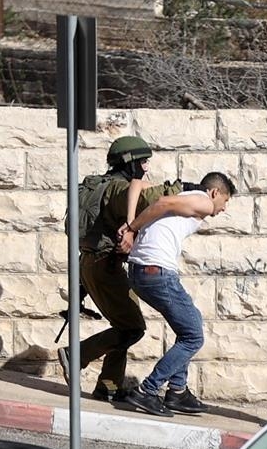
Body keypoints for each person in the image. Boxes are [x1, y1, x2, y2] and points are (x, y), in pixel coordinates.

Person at [58, 135, 189, 402]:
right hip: (105, 266)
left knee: (123, 323)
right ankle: (76, 355)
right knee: (132, 328)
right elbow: (151, 197)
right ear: (130, 163)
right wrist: (185, 188)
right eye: (143, 162)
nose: (146, 168)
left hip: (90, 263)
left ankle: (109, 385)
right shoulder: (119, 189)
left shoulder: (93, 184)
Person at [121, 172, 236, 417]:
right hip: (157, 272)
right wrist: (131, 228)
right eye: (225, 201)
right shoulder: (203, 201)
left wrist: (131, 224)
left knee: (189, 324)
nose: (224, 208)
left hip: (141, 272)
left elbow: (137, 184)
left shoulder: (182, 192)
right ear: (214, 192)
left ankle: (177, 391)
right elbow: (163, 203)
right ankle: (147, 390)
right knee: (193, 336)